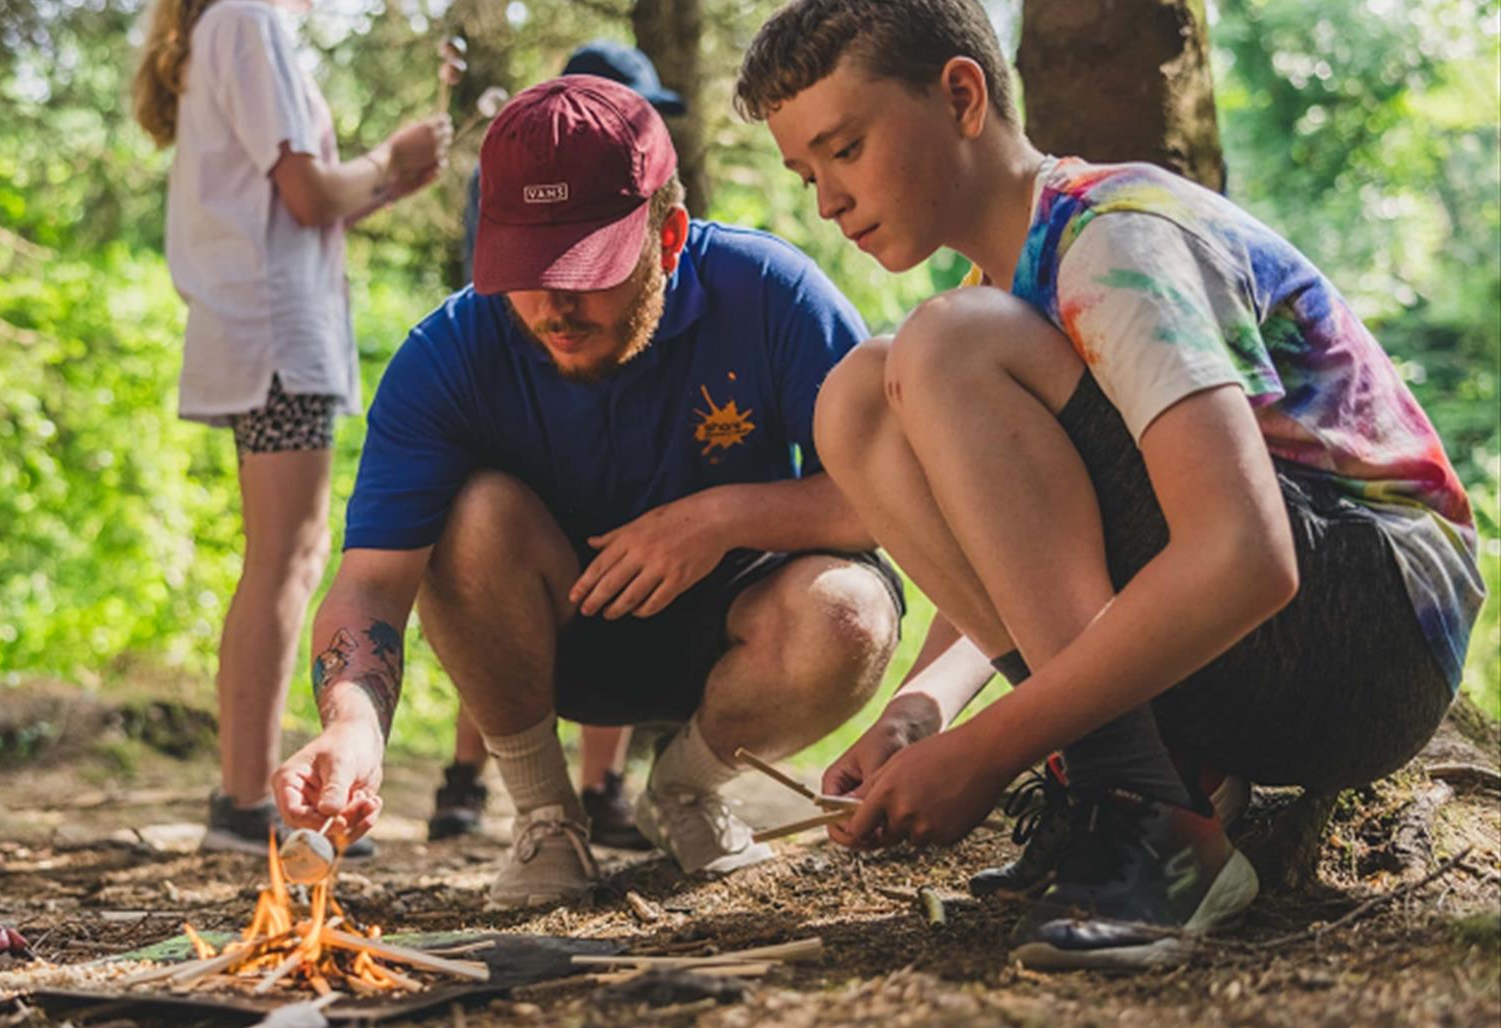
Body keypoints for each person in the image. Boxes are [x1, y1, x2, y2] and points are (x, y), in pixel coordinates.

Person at [736, 0, 1485, 969]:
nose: (826, 201)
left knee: (931, 351)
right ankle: (1141, 780)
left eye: (845, 149)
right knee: (858, 405)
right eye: (806, 174)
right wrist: (919, 713)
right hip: (1269, 643)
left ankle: (1149, 813)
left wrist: (993, 745)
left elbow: (1247, 556)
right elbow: (1024, 549)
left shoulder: (1110, 239)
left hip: (1375, 633)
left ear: (962, 96)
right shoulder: (993, 303)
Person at [272, 77, 957, 911]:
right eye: (525, 269)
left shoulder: (772, 295)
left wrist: (721, 518)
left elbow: (891, 499)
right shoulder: (448, 353)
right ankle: (547, 816)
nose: (552, 306)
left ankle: (685, 791)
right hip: (556, 638)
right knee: (470, 514)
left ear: (667, 236)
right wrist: (351, 726)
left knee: (850, 607)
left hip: (744, 634)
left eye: (584, 270)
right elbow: (372, 583)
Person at [131, 0, 450, 856]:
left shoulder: (227, 25)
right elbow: (307, 196)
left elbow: (297, 206)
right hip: (272, 335)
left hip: (265, 327)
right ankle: (242, 803)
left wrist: (392, 177)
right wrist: (388, 159)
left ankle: (241, 798)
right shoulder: (246, 18)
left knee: (285, 553)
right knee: (286, 554)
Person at [432, 40, 690, 849]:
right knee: (484, 553)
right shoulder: (525, 167)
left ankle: (594, 784)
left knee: (608, 545)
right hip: (528, 393)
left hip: (606, 357)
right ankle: (483, 776)